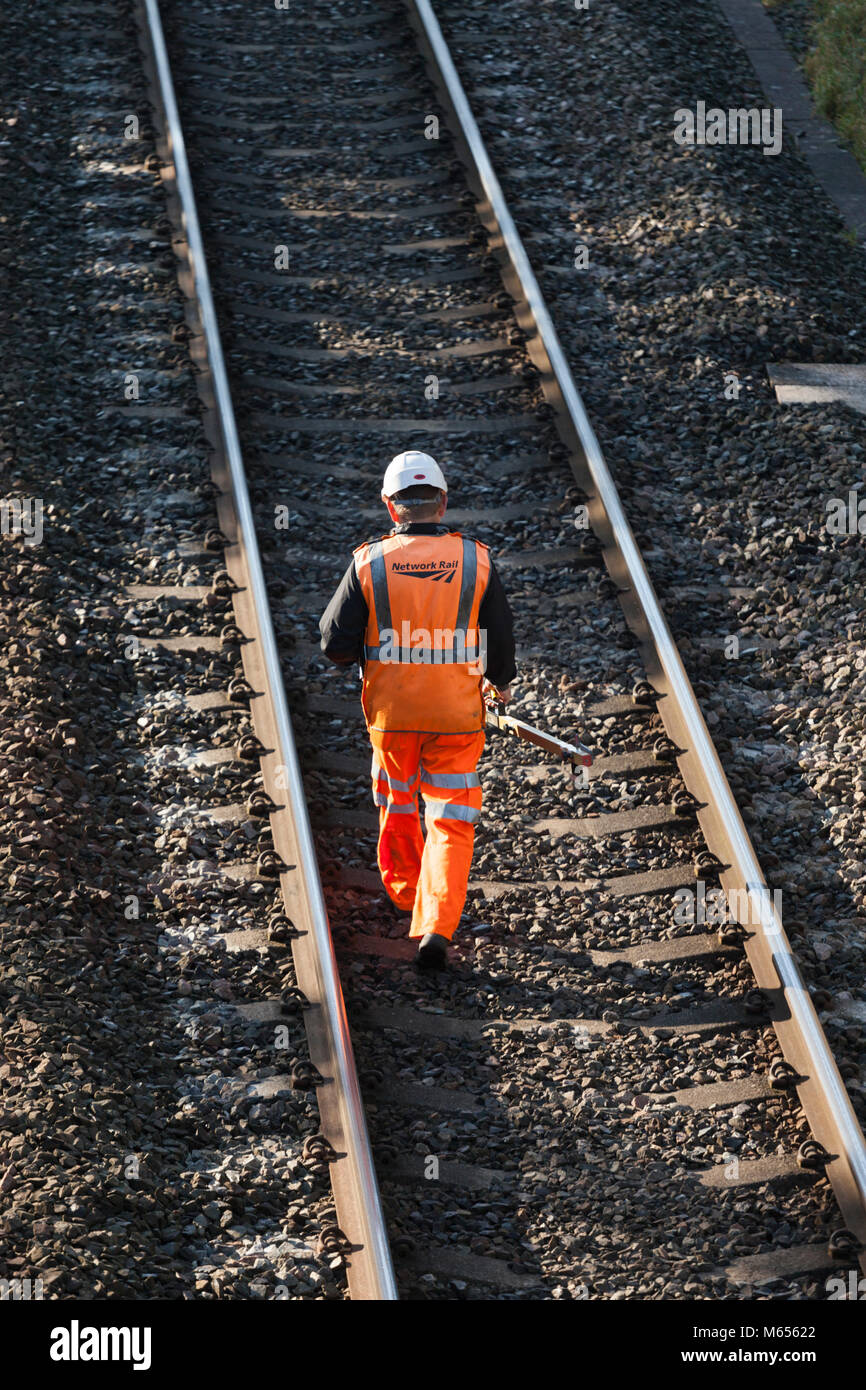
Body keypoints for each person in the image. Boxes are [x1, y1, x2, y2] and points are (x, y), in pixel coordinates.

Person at [319, 450, 517, 969]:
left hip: (392, 717)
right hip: (456, 717)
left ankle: (406, 897)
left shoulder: (369, 561)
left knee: (399, 805)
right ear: (443, 503)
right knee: (452, 820)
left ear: (391, 507)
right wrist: (500, 685)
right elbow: (500, 642)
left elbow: (334, 645)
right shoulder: (477, 559)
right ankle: (436, 923)